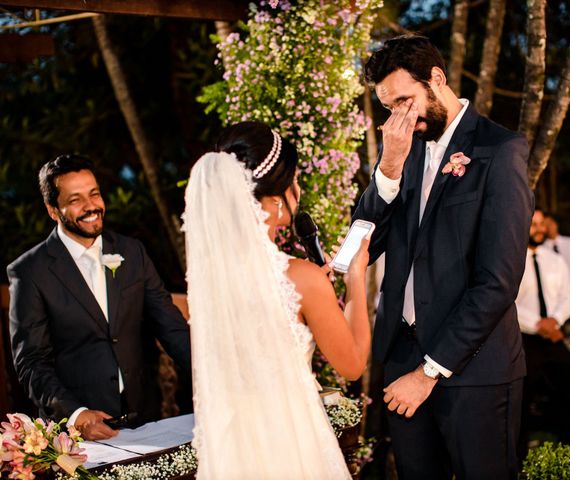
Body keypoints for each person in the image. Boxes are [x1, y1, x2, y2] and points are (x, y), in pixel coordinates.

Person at [353, 35, 534, 479]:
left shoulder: (499, 150)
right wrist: (389, 168)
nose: (400, 118)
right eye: (389, 108)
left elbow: (497, 283)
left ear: (436, 78)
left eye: (405, 101)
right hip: (400, 360)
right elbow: (363, 243)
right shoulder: (403, 148)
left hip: (474, 370)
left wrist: (429, 372)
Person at [183, 121, 371, 478]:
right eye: (295, 181)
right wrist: (357, 280)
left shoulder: (212, 283)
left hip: (236, 452)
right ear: (274, 201)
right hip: (294, 447)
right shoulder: (302, 278)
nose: (298, 190)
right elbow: (353, 364)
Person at [7, 154, 191, 441]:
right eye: (75, 199)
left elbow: (173, 329)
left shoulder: (133, 253)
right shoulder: (30, 271)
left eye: (94, 194)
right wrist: (76, 415)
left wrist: (213, 377)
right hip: (79, 435)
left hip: (147, 418)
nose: (91, 206)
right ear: (53, 210)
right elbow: (31, 362)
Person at [515, 209, 570, 455]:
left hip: (553, 335)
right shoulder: (511, 259)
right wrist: (538, 323)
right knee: (521, 397)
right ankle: (517, 453)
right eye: (533, 224)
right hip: (523, 339)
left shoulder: (555, 260)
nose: (539, 229)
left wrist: (554, 321)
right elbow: (506, 302)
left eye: (542, 223)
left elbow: (569, 295)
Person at [542, 213, 570, 298]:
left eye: (551, 223)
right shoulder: (542, 249)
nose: (549, 227)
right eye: (545, 225)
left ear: (556, 224)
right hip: (554, 296)